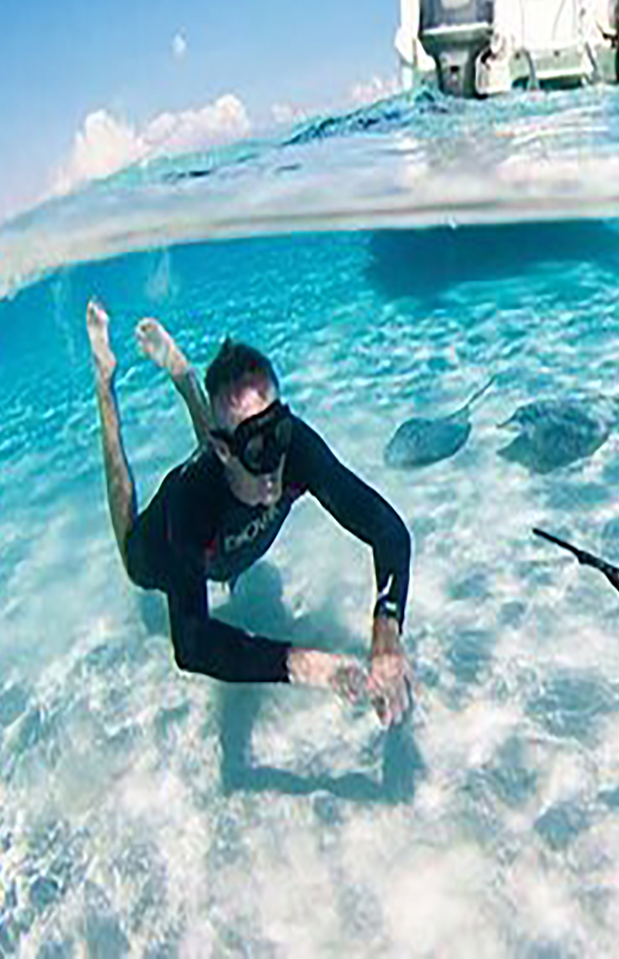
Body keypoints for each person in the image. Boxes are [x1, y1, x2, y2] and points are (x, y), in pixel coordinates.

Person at [85, 300, 414, 725]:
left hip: (223, 472)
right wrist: (306, 665)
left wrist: (387, 625)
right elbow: (191, 644)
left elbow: (388, 531)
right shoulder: (191, 505)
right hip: (172, 538)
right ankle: (105, 380)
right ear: (226, 451)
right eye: (259, 449)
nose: (275, 460)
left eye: (277, 432)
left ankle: (185, 376)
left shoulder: (294, 448)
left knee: (233, 441)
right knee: (131, 556)